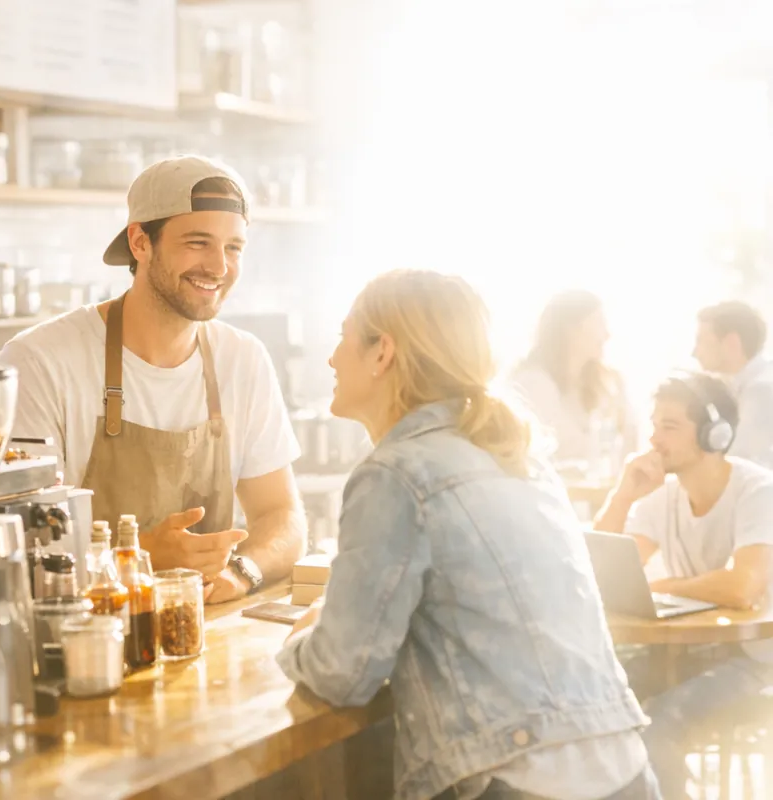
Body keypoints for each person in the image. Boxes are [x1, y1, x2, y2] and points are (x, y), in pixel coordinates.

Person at [276, 270, 659, 800]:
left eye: (343, 337)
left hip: (516, 779)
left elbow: (343, 673)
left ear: (382, 352)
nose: (331, 359)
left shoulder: (395, 474)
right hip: (624, 769)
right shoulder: (518, 455)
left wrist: (298, 638)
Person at [0, 155, 305, 604]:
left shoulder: (244, 360)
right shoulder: (40, 361)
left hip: (202, 630)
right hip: (83, 641)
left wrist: (242, 572)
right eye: (198, 242)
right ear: (140, 242)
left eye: (234, 247)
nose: (219, 267)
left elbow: (283, 515)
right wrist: (138, 555)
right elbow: (22, 547)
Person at [593, 371, 773, 798]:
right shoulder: (660, 495)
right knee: (593, 711)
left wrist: (667, 584)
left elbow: (742, 587)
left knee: (660, 727)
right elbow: (598, 573)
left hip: (754, 662)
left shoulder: (758, 491)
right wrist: (623, 496)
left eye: (669, 427)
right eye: (654, 426)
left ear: (715, 434)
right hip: (682, 653)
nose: (655, 439)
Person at [511, 290, 636, 472]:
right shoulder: (531, 382)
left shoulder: (604, 384)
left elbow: (630, 447)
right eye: (599, 323)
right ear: (571, 329)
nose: (607, 334)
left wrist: (621, 403)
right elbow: (562, 447)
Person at [694, 300, 773, 468]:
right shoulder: (743, 386)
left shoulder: (762, 390)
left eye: (701, 341)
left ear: (731, 342)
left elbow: (740, 464)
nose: (694, 352)